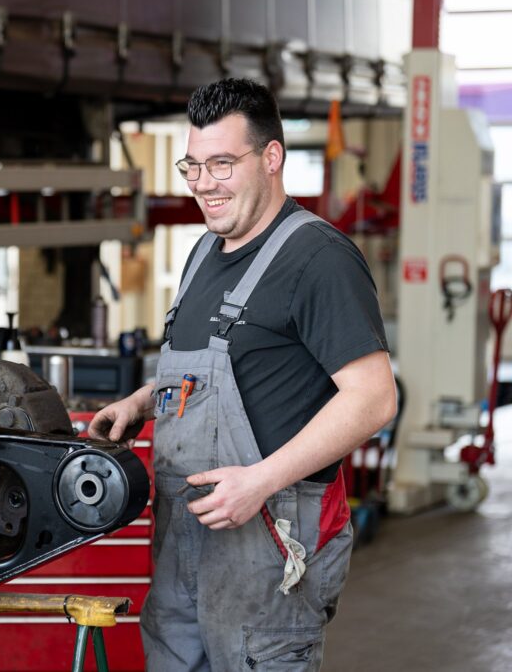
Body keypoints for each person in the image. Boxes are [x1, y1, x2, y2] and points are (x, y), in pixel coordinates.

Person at [88, 79, 396, 671]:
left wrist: (259, 481)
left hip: (270, 547)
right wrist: (142, 401)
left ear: (272, 158)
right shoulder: (204, 252)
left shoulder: (318, 259)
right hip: (185, 544)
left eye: (222, 164)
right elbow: (226, 374)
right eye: (193, 166)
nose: (203, 184)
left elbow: (373, 398)